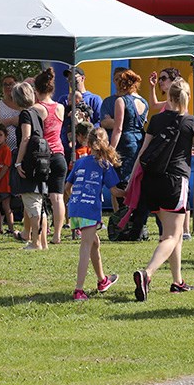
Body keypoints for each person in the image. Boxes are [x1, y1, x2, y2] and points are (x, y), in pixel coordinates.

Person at [132, 78, 194, 301]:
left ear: (168, 97)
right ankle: (147, 273)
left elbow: (143, 152)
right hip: (175, 181)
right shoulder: (192, 122)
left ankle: (177, 281)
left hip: (152, 181)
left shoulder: (157, 119)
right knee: (171, 235)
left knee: (172, 233)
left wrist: (133, 179)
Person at [67, 128, 125, 300]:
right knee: (85, 246)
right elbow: (115, 192)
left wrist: (76, 200)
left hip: (74, 208)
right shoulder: (104, 164)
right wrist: (129, 193)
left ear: (88, 142)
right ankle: (79, 290)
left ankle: (102, 280)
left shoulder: (79, 162)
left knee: (94, 243)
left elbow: (66, 188)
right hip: (89, 210)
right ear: (105, 142)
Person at [11, 81, 48, 251]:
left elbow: (25, 138)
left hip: (29, 162)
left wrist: (18, 161)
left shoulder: (25, 114)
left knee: (32, 203)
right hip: (40, 162)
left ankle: (35, 242)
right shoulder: (37, 114)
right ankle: (43, 242)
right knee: (39, 203)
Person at [34, 68, 69, 244]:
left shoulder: (37, 108)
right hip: (59, 154)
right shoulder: (60, 107)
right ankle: (57, 235)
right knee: (57, 197)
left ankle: (38, 231)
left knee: (38, 195)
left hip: (43, 155)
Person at [109, 69, 148, 182]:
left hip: (125, 143)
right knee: (136, 179)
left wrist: (111, 149)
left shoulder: (121, 101)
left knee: (122, 180)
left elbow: (118, 129)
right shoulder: (144, 102)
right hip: (140, 142)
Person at [0, 75, 22, 154]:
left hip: (23, 151)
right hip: (4, 152)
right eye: (5, 84)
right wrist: (11, 121)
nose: (8, 87)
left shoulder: (24, 104)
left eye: (11, 84)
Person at [99, 67, 130, 132]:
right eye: (117, 79)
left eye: (122, 79)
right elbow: (104, 123)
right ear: (113, 80)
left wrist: (114, 121)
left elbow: (139, 124)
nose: (120, 82)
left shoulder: (133, 100)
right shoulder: (107, 102)